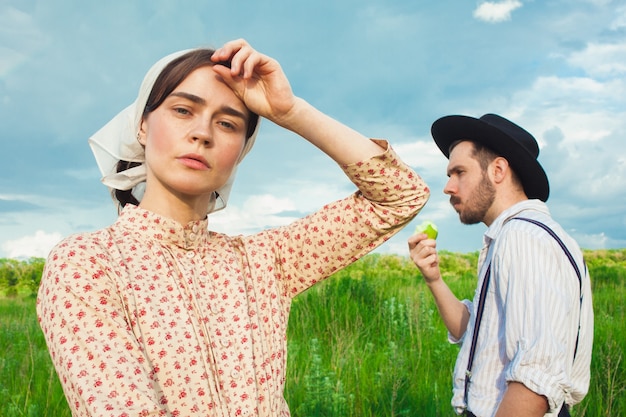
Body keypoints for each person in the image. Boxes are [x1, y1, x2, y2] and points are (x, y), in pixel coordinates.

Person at [37, 39, 430, 417]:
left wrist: (290, 112)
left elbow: (399, 195)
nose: (202, 133)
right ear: (142, 126)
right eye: (182, 111)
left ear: (242, 150)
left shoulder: (264, 261)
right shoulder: (86, 264)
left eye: (227, 123)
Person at [408, 114, 593, 417]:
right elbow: (478, 333)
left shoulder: (523, 238)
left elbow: (535, 381)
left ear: (497, 170)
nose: (448, 187)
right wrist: (434, 279)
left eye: (459, 172)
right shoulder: (518, 235)